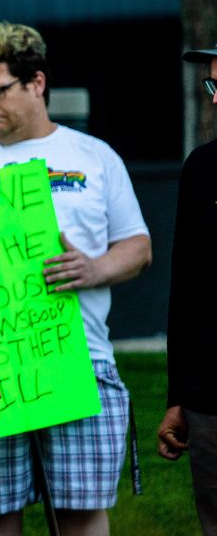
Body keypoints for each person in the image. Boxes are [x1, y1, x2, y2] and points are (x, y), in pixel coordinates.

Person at [0, 22, 152, 535]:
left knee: (81, 513)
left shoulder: (93, 157)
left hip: (79, 361)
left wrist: (95, 269)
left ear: (36, 83)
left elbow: (138, 248)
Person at [158, 44, 217, 534]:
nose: (216, 100)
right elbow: (187, 290)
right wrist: (178, 396)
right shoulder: (201, 168)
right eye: (213, 86)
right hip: (210, 400)